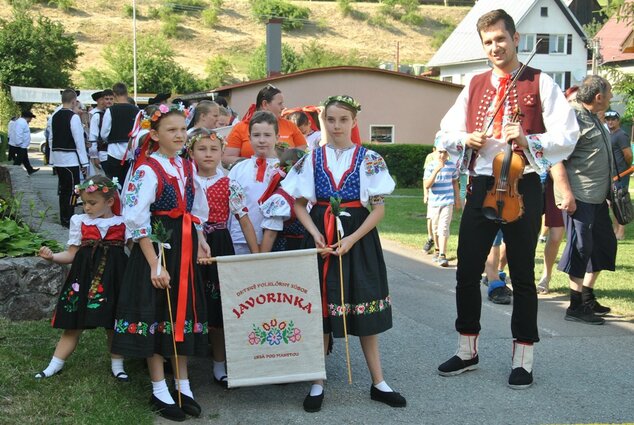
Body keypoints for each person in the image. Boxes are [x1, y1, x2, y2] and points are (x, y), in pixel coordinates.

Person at [434, 9, 579, 389]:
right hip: (481, 186)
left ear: (516, 39)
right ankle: (467, 350)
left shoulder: (539, 82)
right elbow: (444, 131)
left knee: (522, 275)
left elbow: (567, 134)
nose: (495, 47)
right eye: (488, 42)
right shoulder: (475, 84)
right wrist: (464, 138)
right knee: (467, 271)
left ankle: (523, 358)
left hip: (523, 185)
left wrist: (530, 140)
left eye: (501, 39)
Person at [282, 95, 406, 412]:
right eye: (331, 120)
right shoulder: (311, 158)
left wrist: (351, 238)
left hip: (358, 240)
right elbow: (298, 204)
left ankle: (378, 381)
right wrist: (314, 234)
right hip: (322, 240)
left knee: (363, 305)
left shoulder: (369, 158)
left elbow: (378, 210)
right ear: (324, 122)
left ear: (353, 122)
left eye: (343, 120)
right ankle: (316, 381)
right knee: (322, 309)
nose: (336, 126)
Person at [111, 103, 210, 421]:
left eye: (183, 129)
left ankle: (183, 385)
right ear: (154, 134)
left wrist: (202, 240)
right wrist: (155, 263)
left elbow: (195, 211)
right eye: (172, 130)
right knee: (157, 314)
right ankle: (159, 389)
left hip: (184, 247)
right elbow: (136, 221)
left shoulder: (187, 166)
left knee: (179, 316)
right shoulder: (146, 170)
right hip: (158, 248)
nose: (180, 135)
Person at [35, 176, 128, 381]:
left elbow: (134, 251)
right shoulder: (80, 222)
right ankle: (54, 364)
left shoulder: (123, 223)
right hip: (84, 277)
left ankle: (118, 366)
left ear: (110, 201)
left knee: (113, 322)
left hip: (114, 279)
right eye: (84, 203)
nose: (86, 207)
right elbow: (71, 254)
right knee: (73, 323)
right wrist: (52, 257)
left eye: (92, 203)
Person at [188, 127, 259, 388]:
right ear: (191, 152)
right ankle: (181, 363)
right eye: (202, 149)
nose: (208, 154)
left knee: (218, 307)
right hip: (190, 243)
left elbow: (244, 219)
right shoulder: (185, 179)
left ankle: (219, 364)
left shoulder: (229, 182)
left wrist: (256, 254)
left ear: (221, 152)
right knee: (189, 301)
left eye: (214, 149)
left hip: (218, 243)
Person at [552, 75, 617, 325]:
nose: (611, 97)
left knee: (603, 245)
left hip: (598, 197)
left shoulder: (593, 116)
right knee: (580, 247)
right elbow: (556, 158)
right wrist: (566, 193)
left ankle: (588, 297)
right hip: (579, 196)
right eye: (609, 93)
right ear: (598, 97)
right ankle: (575, 305)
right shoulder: (573, 117)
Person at [537, 87, 580, 294]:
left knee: (556, 237)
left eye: (578, 101)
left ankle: (546, 276)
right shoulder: (552, 124)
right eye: (571, 100)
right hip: (545, 185)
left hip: (569, 188)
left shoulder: (585, 128)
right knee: (529, 235)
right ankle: (498, 269)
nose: (575, 105)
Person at [227, 111, 281, 254]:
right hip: (240, 238)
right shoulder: (238, 169)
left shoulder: (284, 169)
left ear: (277, 137)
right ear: (249, 138)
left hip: (275, 238)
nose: (261, 140)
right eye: (256, 135)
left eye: (267, 135)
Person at [223, 85, 307, 164]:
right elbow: (227, 158)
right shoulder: (241, 127)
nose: (283, 107)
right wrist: (253, 164)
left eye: (267, 135)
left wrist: (284, 163)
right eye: (279, 103)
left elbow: (303, 153)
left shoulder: (290, 126)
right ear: (265, 104)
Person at [50, 89, 90, 228]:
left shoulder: (54, 116)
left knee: (63, 189)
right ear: (74, 101)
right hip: (70, 159)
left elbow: (51, 138)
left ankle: (64, 217)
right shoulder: (73, 117)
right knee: (74, 190)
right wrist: (84, 162)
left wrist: (51, 159)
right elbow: (79, 141)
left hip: (58, 158)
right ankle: (69, 217)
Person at [259, 147, 308, 252]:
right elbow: (270, 235)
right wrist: (262, 263)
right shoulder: (281, 200)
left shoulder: (306, 195)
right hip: (286, 255)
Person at [423, 148, 459, 267]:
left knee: (443, 227)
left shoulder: (451, 166)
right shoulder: (430, 166)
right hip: (434, 202)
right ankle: (437, 250)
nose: (442, 155)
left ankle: (443, 255)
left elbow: (455, 182)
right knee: (435, 228)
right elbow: (427, 185)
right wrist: (436, 171)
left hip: (447, 201)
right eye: (440, 152)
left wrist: (457, 198)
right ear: (435, 152)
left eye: (445, 152)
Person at [100, 82, 139, 184]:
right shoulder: (136, 110)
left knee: (115, 183)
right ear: (127, 93)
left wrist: (109, 139)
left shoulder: (111, 111)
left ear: (114, 94)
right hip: (131, 151)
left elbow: (104, 133)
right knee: (129, 182)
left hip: (114, 151)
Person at [606, 110, 632, 240]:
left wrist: (624, 170)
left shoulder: (621, 135)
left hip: (620, 174)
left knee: (620, 202)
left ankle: (620, 233)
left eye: (613, 119)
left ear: (618, 121)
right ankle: (616, 230)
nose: (610, 121)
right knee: (613, 203)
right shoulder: (610, 134)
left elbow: (628, 155)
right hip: (611, 175)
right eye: (608, 119)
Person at [88, 89, 114, 175]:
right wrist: (94, 156)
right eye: (107, 99)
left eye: (111, 99)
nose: (109, 101)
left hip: (117, 153)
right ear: (102, 100)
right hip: (103, 153)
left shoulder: (117, 113)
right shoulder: (97, 116)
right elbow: (93, 137)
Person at [12, 110, 39, 175]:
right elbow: (19, 134)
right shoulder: (21, 123)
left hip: (22, 145)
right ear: (28, 117)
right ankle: (13, 172)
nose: (31, 120)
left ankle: (30, 169)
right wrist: (19, 143)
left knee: (25, 158)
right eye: (31, 118)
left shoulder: (22, 122)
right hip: (21, 145)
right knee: (18, 160)